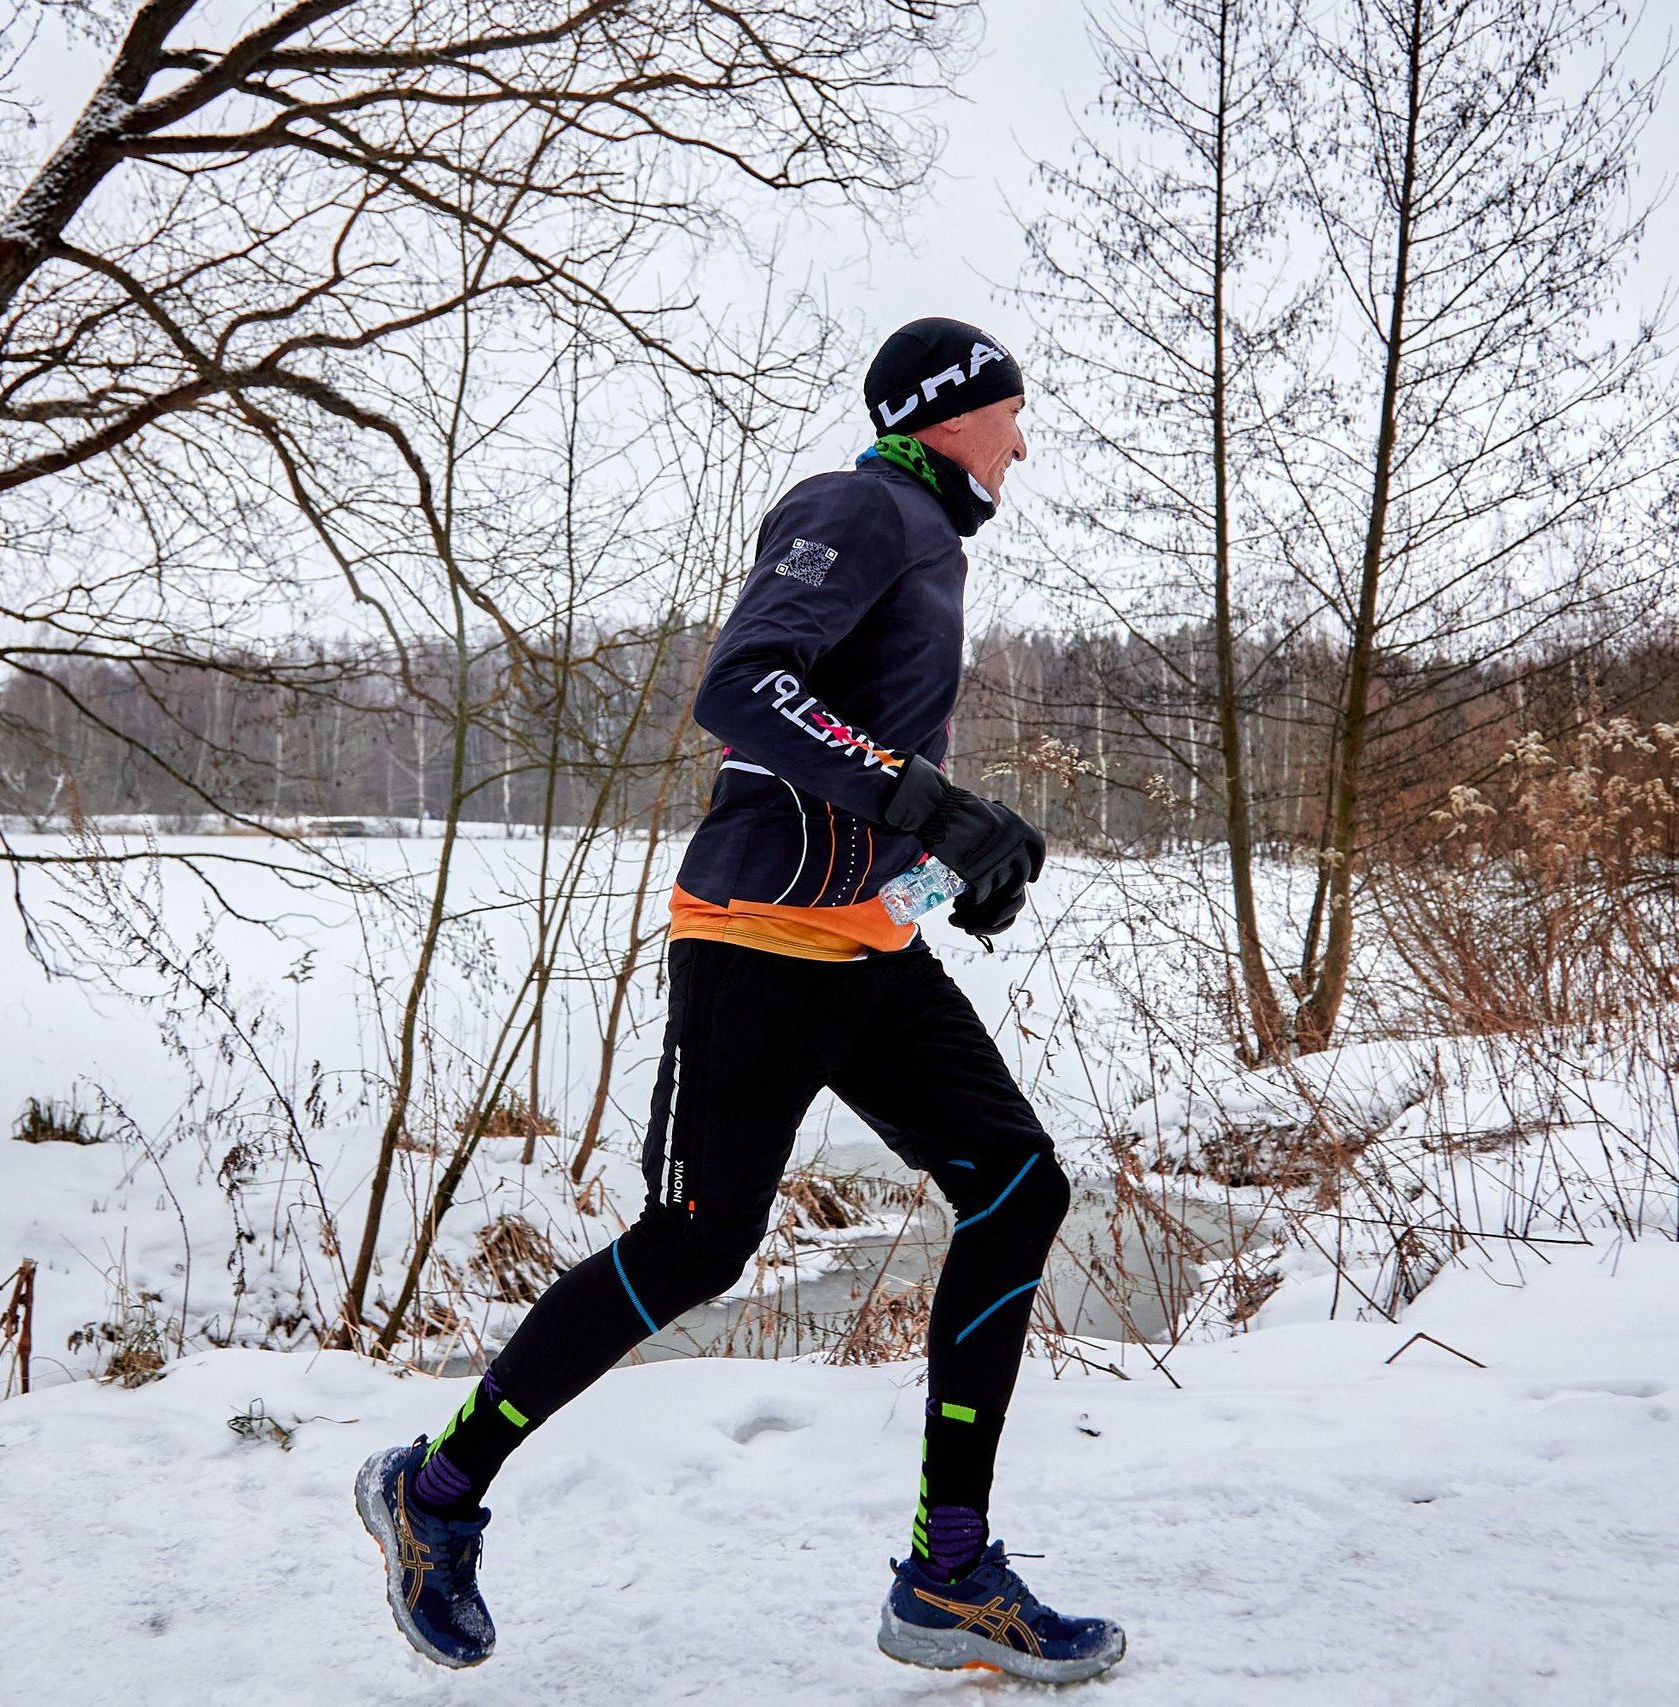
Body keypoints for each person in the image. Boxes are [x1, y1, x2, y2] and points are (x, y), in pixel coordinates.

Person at [356, 318, 1127, 1684]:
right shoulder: (860, 508)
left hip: (866, 942)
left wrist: (962, 843)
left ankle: (948, 1573)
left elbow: (857, 745)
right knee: (695, 1248)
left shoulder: (923, 536)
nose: (1025, 438)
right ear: (953, 412)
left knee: (1017, 1187)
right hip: (759, 941)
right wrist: (920, 799)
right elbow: (744, 690)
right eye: (1013, 410)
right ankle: (435, 1491)